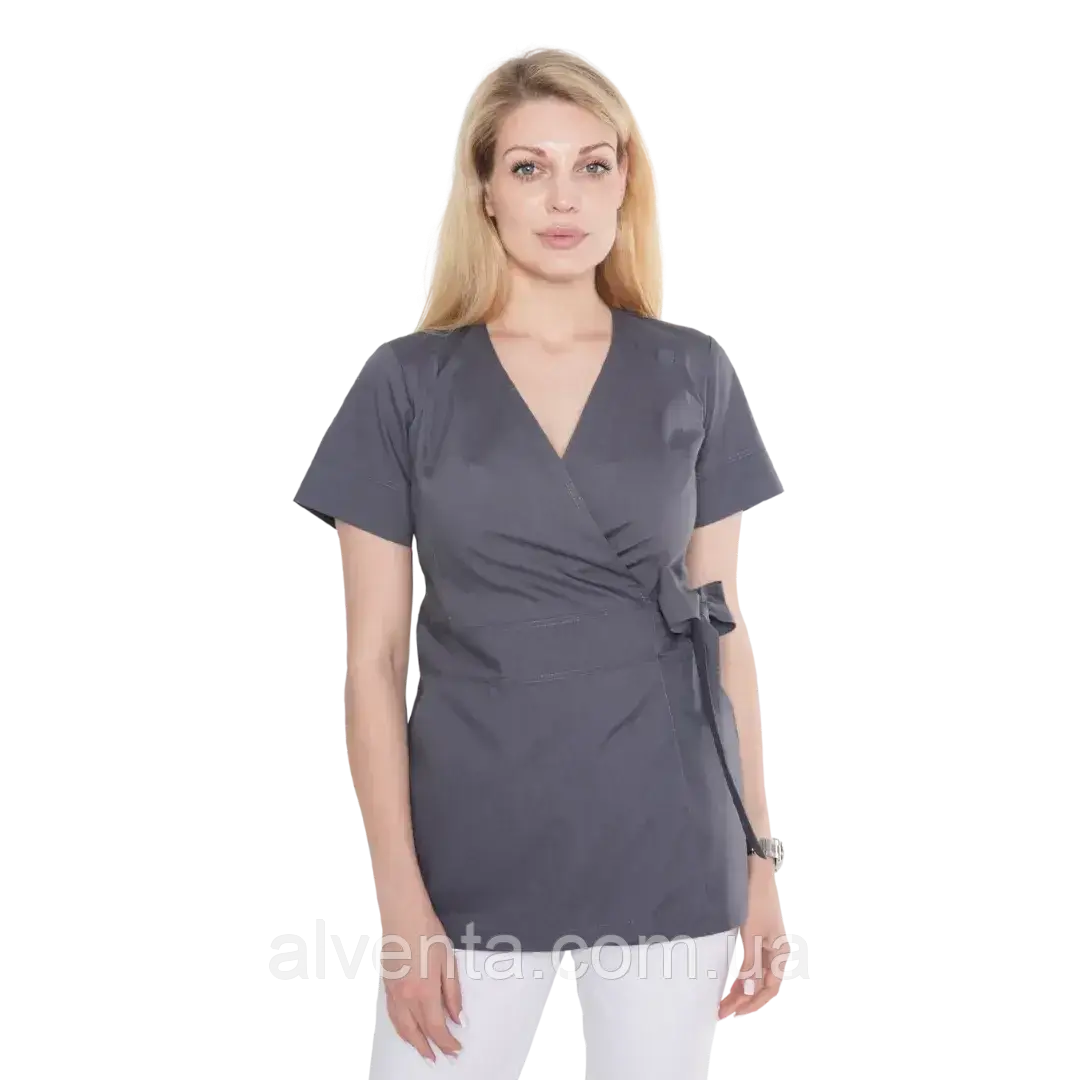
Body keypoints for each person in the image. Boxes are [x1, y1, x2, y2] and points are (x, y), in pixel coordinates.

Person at [292, 44, 788, 1079]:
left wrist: (761, 860)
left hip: (668, 832)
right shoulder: (405, 383)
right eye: (529, 167)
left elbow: (729, 640)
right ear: (484, 188)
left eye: (591, 165)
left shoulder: (695, 371)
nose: (563, 198)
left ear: (625, 182)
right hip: (468, 844)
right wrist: (398, 899)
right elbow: (372, 663)